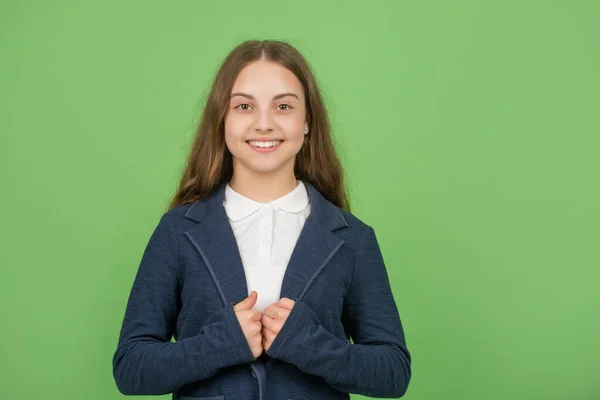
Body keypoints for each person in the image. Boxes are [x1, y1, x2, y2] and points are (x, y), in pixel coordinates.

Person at [112, 39, 411, 400]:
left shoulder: (353, 239)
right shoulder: (178, 231)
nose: (264, 124)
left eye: (283, 106)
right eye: (244, 106)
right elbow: (131, 369)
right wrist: (220, 342)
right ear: (222, 121)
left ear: (306, 122)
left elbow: (393, 374)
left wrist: (310, 344)